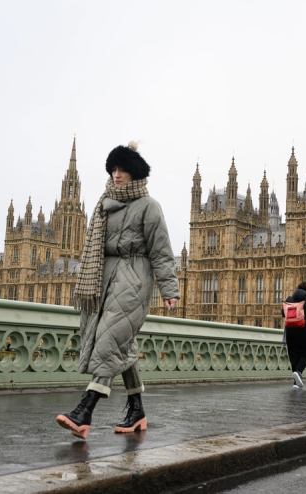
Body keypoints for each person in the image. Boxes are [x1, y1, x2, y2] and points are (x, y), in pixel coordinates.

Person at [56, 142, 180, 439]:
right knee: (123, 345)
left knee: (110, 339)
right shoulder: (103, 204)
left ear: (135, 172)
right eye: (113, 169)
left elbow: (161, 252)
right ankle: (136, 410)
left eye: (122, 169)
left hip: (135, 279)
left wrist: (169, 289)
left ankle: (85, 410)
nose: (117, 175)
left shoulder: (150, 207)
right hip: (105, 279)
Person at [281, 281, 306, 389]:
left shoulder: (289, 299)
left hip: (289, 330)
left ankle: (296, 382)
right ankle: (298, 372)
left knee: (293, 355)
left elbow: (283, 313)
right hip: (302, 329)